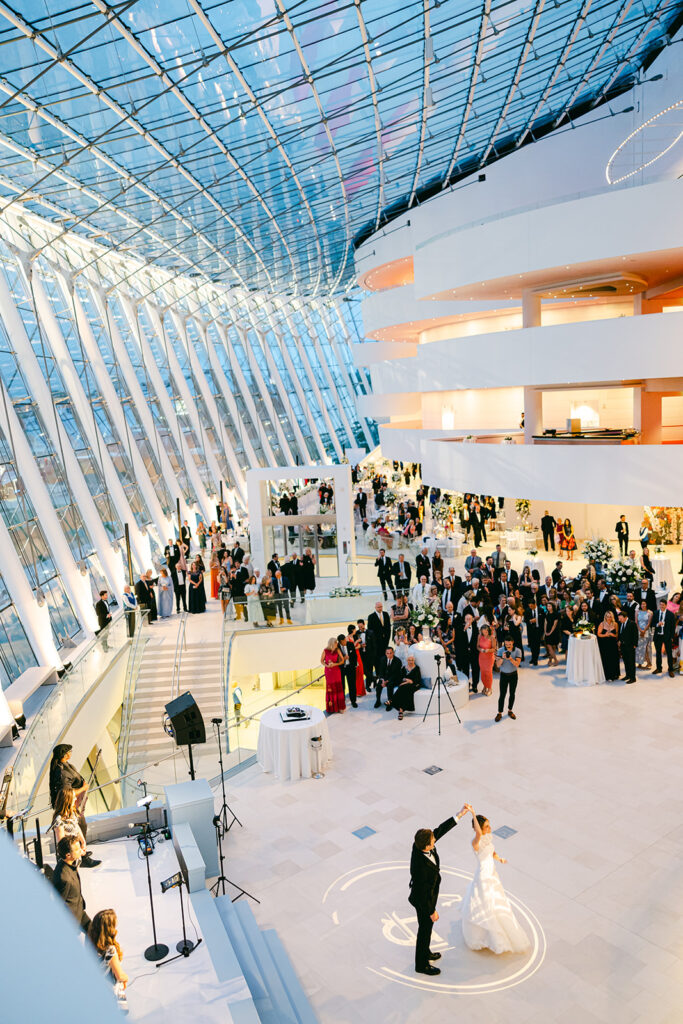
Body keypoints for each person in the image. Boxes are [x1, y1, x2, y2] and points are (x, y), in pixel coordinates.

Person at [408, 805, 470, 976]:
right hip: (423, 901)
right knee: (425, 929)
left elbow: (440, 830)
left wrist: (459, 815)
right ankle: (421, 964)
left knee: (426, 929)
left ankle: (426, 953)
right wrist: (431, 911)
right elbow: (422, 893)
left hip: (428, 895)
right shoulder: (419, 868)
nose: (435, 841)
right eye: (432, 842)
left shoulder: (421, 844)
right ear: (426, 847)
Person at [460, 808, 529, 953]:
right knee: (486, 904)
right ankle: (486, 935)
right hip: (484, 876)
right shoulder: (475, 841)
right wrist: (472, 813)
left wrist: (499, 859)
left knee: (496, 902)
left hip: (492, 873)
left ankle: (495, 932)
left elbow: (492, 851)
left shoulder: (488, 838)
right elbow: (479, 833)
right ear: (478, 828)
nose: (490, 828)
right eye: (486, 826)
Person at [51, 786, 100, 867]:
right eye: (73, 797)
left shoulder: (71, 813)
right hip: (68, 856)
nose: (75, 799)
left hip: (74, 851)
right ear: (67, 800)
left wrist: (83, 842)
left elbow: (76, 827)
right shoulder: (59, 821)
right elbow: (62, 844)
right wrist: (77, 851)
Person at [52, 836, 90, 932]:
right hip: (72, 920)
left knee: (96, 934)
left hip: (79, 911)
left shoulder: (70, 864)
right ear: (68, 855)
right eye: (77, 849)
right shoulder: (64, 878)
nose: (80, 850)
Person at [88, 909, 128, 995]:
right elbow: (120, 976)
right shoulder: (110, 950)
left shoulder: (90, 940)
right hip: (112, 990)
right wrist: (126, 977)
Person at [494, 637, 521, 721]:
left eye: (510, 644)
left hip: (513, 675)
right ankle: (499, 712)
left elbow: (517, 664)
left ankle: (510, 710)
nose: (508, 646)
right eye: (506, 644)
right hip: (503, 675)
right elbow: (498, 665)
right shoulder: (501, 650)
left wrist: (510, 659)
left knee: (512, 693)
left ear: (513, 643)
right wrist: (501, 658)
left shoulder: (517, 651)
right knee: (502, 694)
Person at [388, 654, 422, 720]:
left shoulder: (417, 668)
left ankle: (391, 700)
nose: (411, 661)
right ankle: (401, 711)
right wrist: (406, 680)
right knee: (404, 688)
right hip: (405, 685)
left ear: (414, 661)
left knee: (403, 687)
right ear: (407, 660)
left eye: (412, 660)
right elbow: (400, 678)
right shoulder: (404, 668)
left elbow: (417, 680)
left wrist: (407, 681)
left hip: (415, 685)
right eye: (409, 660)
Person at [652, 598, 676, 677]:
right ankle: (659, 668)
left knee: (669, 653)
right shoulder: (655, 613)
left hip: (667, 636)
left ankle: (670, 669)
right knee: (658, 653)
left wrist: (672, 637)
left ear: (666, 605)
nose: (661, 606)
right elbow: (652, 623)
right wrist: (657, 624)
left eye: (663, 605)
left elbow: (673, 627)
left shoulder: (670, 614)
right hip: (658, 636)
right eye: (660, 605)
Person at [321, 638, 345, 714]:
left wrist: (335, 664)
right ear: (332, 643)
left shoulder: (337, 650)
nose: (337, 644)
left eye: (337, 643)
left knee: (338, 688)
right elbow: (321, 661)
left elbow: (342, 660)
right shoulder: (325, 650)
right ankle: (332, 708)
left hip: (336, 671)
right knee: (330, 689)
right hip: (329, 671)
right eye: (335, 643)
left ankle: (340, 707)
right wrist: (327, 665)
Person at [618, 609, 638, 683]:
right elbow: (621, 633)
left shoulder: (632, 623)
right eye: (619, 618)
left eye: (620, 618)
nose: (619, 620)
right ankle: (628, 675)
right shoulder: (621, 623)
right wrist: (619, 641)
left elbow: (635, 635)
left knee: (631, 662)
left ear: (625, 617)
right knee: (626, 662)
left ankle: (633, 678)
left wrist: (635, 644)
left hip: (630, 646)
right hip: (623, 646)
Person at [477, 624, 495, 696]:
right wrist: (480, 649)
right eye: (483, 632)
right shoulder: (479, 636)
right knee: (483, 673)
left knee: (489, 673)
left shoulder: (492, 638)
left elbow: (494, 648)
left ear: (488, 631)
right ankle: (485, 686)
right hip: (481, 657)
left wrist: (488, 650)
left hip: (489, 657)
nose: (484, 633)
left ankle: (490, 688)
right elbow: (477, 646)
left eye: (486, 632)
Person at [635, 599, 653, 669]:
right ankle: (639, 663)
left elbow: (649, 623)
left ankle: (649, 663)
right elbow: (636, 622)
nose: (643, 605)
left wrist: (644, 631)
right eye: (642, 604)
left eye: (644, 604)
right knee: (639, 648)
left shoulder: (650, 612)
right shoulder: (637, 611)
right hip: (638, 630)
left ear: (646, 604)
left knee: (647, 647)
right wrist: (640, 630)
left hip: (647, 631)